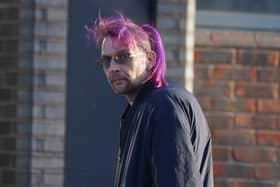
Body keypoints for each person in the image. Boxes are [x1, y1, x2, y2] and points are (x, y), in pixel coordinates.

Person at [87, 13, 213, 187]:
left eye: (123, 57)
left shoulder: (164, 106)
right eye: (106, 61)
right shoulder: (144, 107)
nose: (113, 68)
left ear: (150, 59)